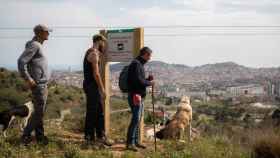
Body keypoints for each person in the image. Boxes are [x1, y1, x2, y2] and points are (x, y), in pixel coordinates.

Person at [18, 24, 52, 145]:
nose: (49, 34)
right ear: (40, 33)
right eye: (47, 32)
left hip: (41, 84)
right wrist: (28, 79)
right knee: (39, 112)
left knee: (39, 111)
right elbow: (21, 61)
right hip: (39, 85)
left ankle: (40, 136)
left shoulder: (36, 45)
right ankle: (25, 136)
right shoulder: (34, 45)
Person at [83, 34, 113, 148]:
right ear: (99, 41)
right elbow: (96, 74)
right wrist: (102, 89)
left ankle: (101, 137)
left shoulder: (89, 51)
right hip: (92, 87)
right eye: (103, 43)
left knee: (98, 112)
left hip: (90, 86)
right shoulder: (94, 54)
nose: (104, 45)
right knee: (93, 112)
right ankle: (89, 139)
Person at [126, 46, 155, 151]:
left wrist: (147, 80)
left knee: (138, 120)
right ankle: (130, 143)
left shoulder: (139, 64)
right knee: (135, 120)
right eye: (149, 56)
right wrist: (150, 82)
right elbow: (138, 82)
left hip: (139, 96)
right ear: (145, 54)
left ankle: (136, 141)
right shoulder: (136, 64)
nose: (150, 58)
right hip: (135, 96)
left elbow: (140, 80)